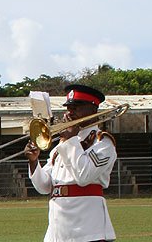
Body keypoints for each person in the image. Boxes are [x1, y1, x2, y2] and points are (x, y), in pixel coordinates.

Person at [24, 84, 117, 242]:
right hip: (57, 230)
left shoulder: (102, 142)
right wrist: (33, 162)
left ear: (93, 109)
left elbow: (84, 176)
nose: (70, 112)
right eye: (68, 107)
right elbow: (44, 187)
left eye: (77, 107)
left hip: (88, 228)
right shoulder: (62, 145)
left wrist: (70, 140)